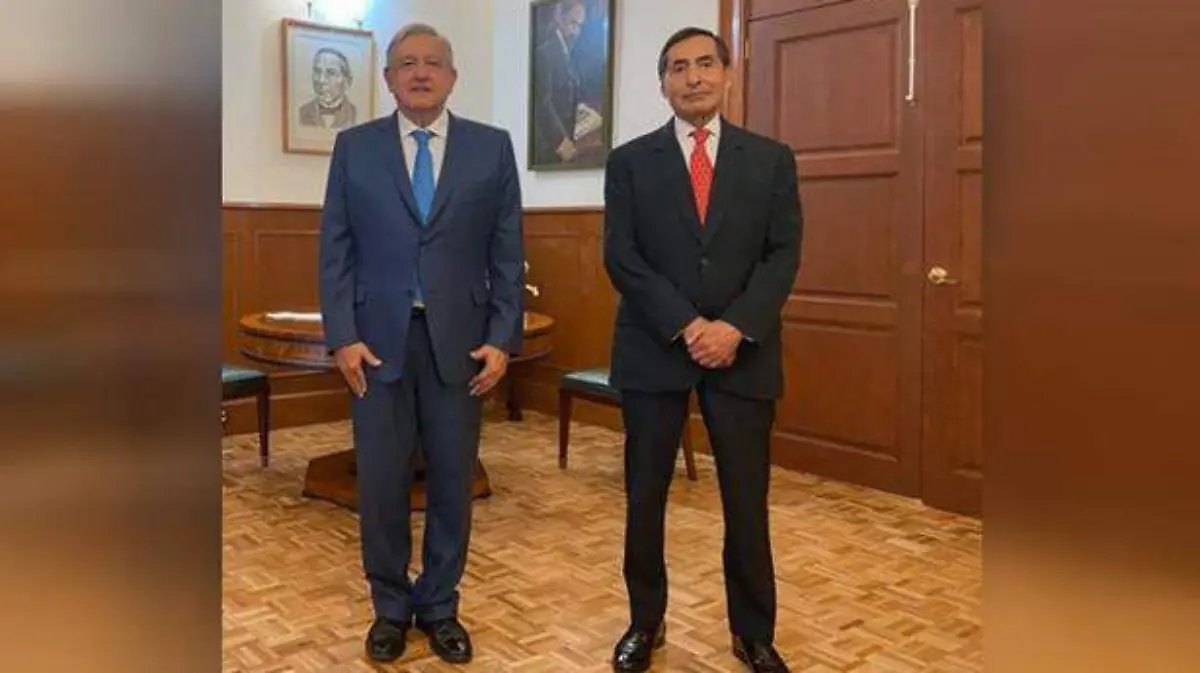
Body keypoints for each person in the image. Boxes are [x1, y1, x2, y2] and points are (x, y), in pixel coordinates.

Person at [317, 22, 524, 665]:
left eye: (433, 62)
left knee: (454, 480)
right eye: (406, 63)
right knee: (381, 482)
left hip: (461, 344)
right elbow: (335, 248)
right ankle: (389, 606)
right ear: (388, 79)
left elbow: (508, 251)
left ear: (453, 76)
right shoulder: (355, 148)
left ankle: (439, 605)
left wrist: (502, 338)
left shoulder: (492, 148)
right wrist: (342, 336)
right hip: (375, 344)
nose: (420, 72)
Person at [602, 27, 802, 673]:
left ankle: (754, 633)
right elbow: (622, 257)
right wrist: (688, 325)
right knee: (645, 497)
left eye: (705, 64)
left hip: (743, 352)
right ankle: (645, 622)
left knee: (746, 500)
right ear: (663, 83)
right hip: (654, 347)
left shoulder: (771, 159)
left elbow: (782, 255)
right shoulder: (629, 162)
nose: (693, 77)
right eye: (678, 67)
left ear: (727, 73)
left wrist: (734, 326)